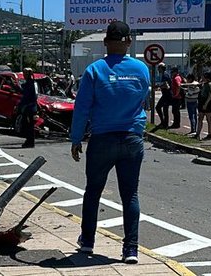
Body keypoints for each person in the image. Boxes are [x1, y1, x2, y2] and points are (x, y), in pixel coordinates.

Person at [70, 21, 150, 264]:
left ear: (105, 42)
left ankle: (87, 241)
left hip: (102, 139)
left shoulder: (95, 70)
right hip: (132, 138)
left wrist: (76, 138)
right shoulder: (142, 69)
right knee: (130, 195)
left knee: (93, 191)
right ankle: (130, 249)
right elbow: (143, 99)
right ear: (128, 41)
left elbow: (82, 108)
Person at [17, 68, 38, 148]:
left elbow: (26, 94)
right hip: (30, 107)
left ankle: (30, 141)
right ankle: (29, 141)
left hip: (30, 108)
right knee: (27, 125)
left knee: (29, 126)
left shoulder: (31, 83)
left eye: (25, 73)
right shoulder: (31, 83)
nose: (23, 75)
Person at [195, 71, 211, 141]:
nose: (202, 78)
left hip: (208, 103)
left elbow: (210, 95)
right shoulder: (203, 84)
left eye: (204, 77)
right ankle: (197, 133)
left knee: (208, 119)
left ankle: (209, 134)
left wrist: (206, 104)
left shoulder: (210, 84)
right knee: (200, 118)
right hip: (202, 102)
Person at [155, 63, 171, 128]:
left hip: (166, 95)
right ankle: (164, 123)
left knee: (159, 107)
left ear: (161, 68)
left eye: (159, 68)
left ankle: (164, 123)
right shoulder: (164, 74)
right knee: (164, 109)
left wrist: (159, 86)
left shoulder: (165, 75)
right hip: (165, 94)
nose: (158, 69)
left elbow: (166, 85)